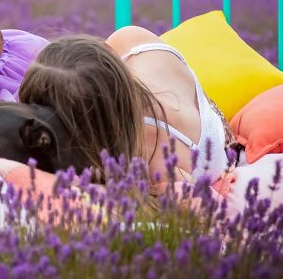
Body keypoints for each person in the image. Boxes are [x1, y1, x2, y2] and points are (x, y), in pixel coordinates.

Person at [18, 26, 235, 189]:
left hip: (206, 149)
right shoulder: (132, 41)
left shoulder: (149, 158)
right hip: (204, 114)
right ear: (104, 52)